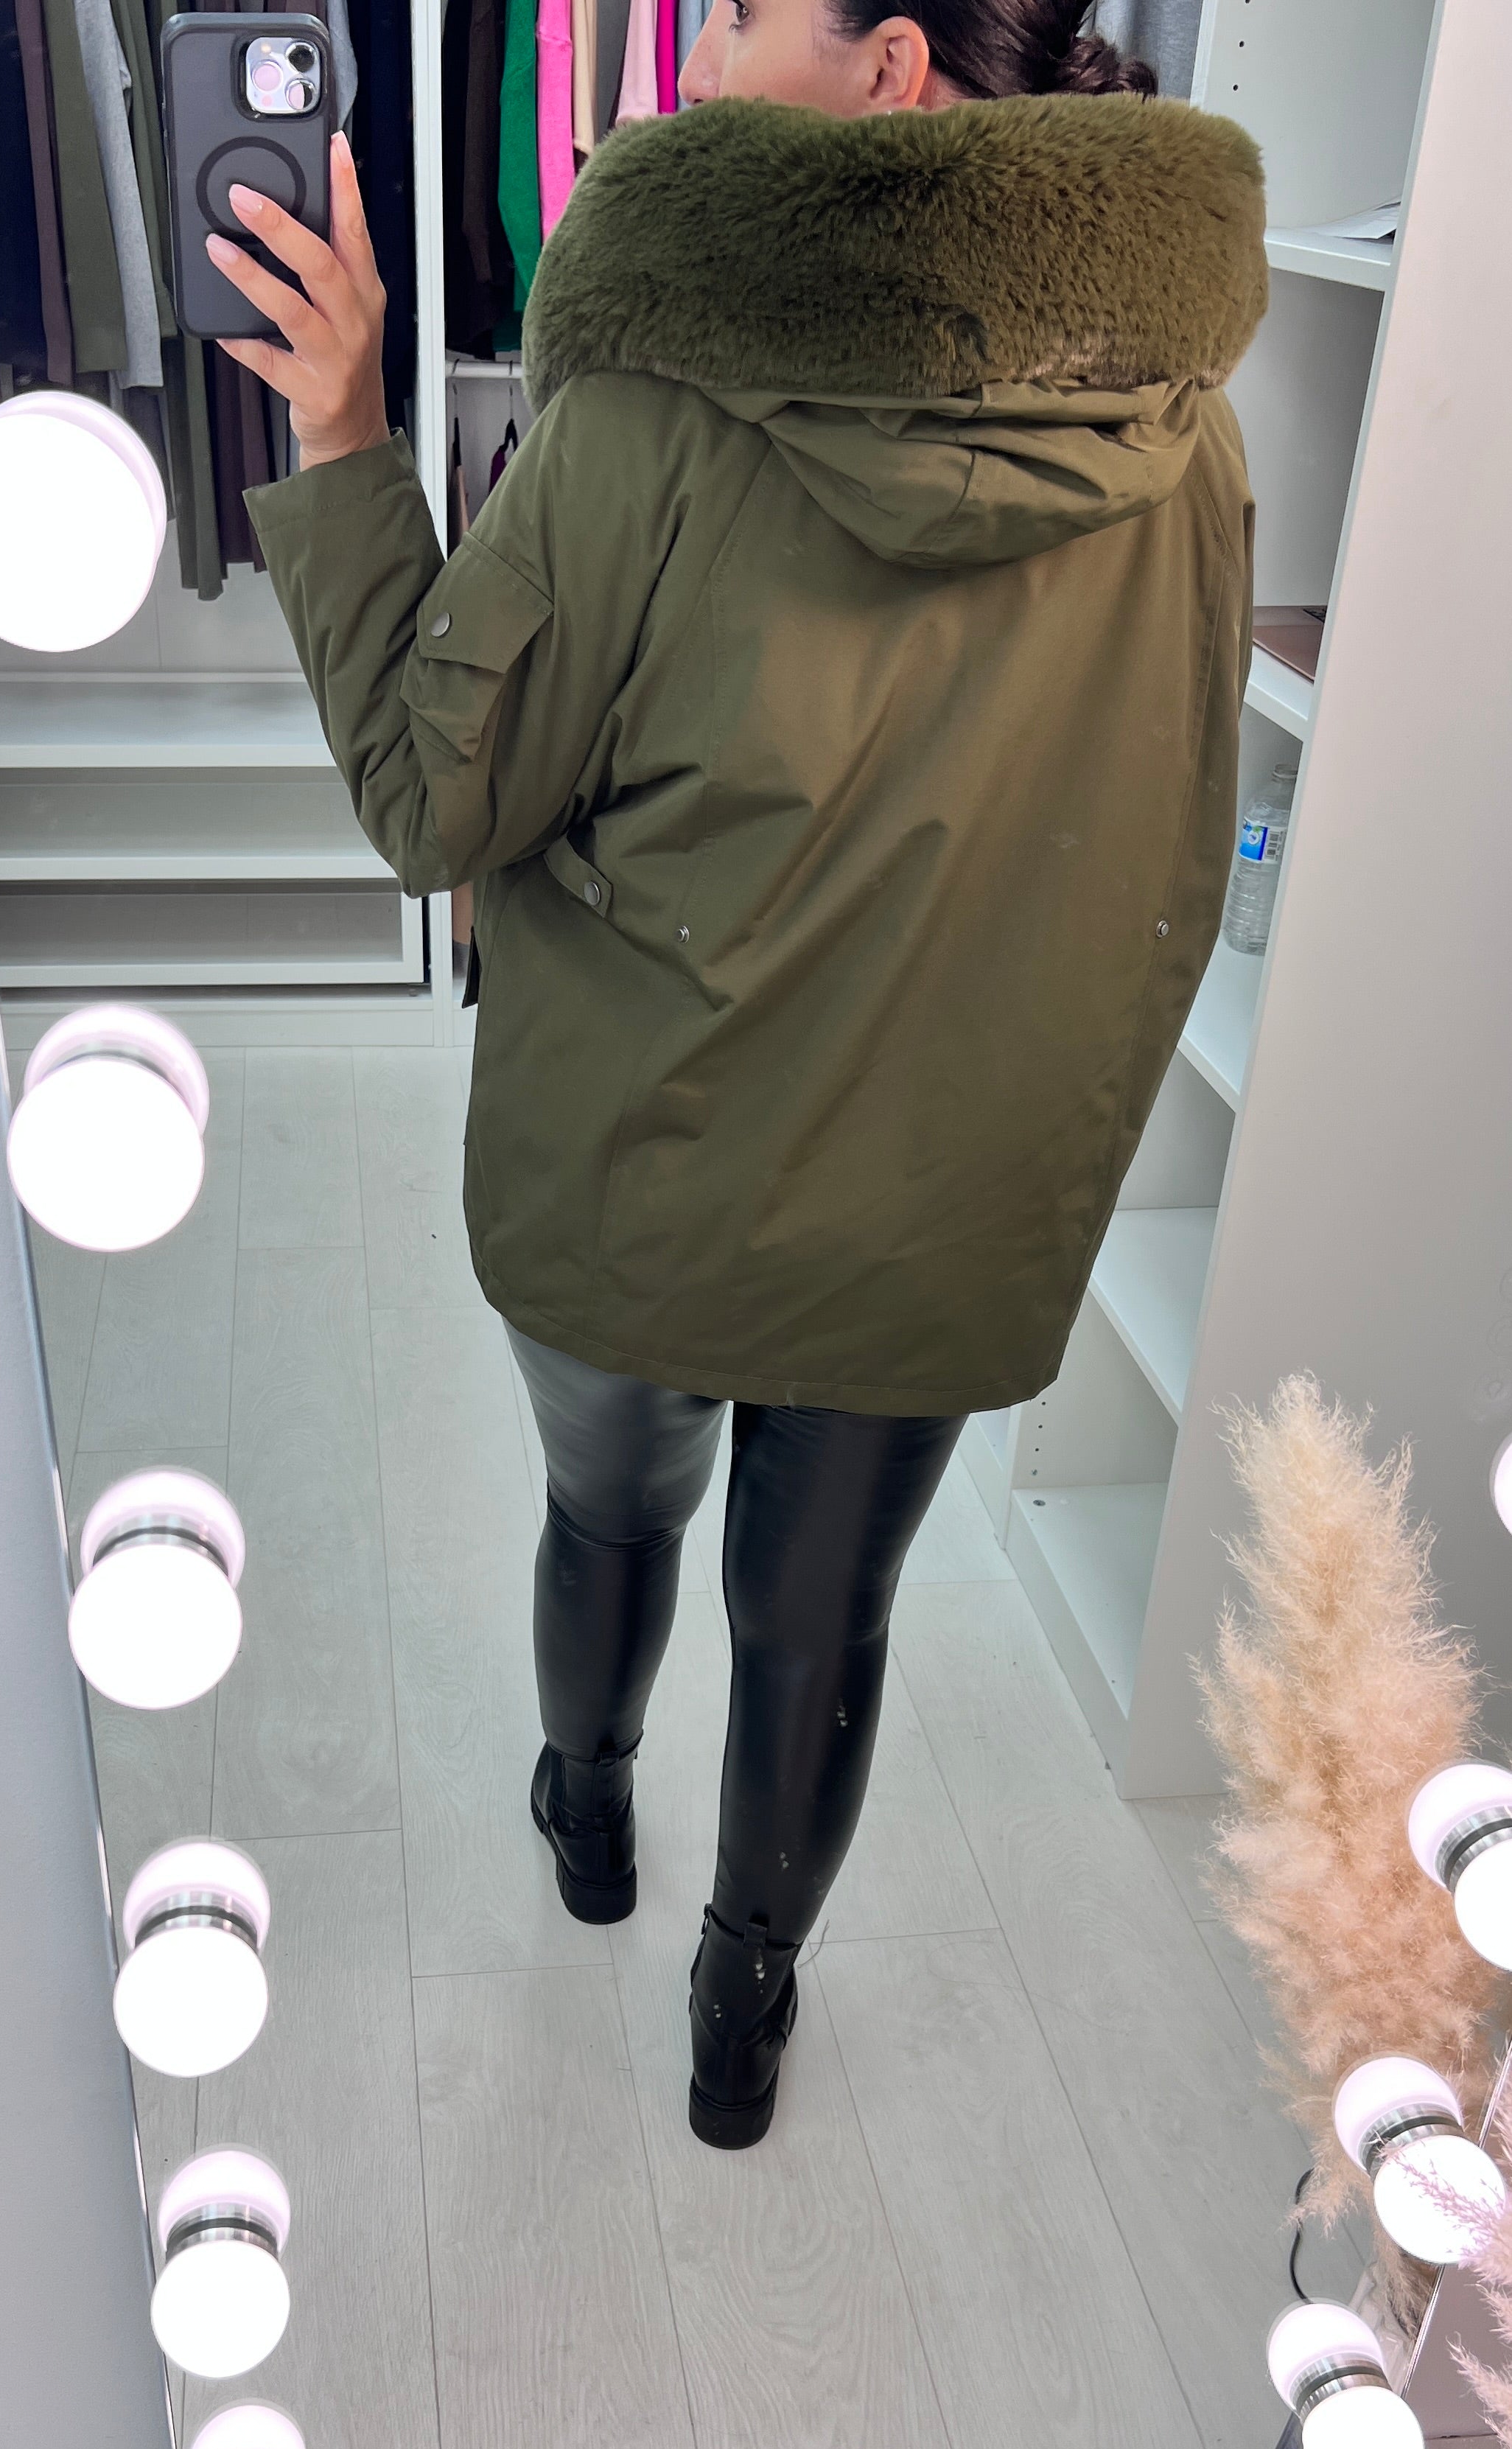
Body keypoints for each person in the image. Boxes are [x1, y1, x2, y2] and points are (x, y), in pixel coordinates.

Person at [214, 0, 1266, 2148]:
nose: (683, 60)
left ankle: (587, 1810)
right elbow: (1168, 841)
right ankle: (741, 2002)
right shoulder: (1189, 438)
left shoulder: (642, 413)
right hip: (946, 1195)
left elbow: (437, 803)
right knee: (821, 1613)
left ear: (887, 68)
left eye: (740, 16)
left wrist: (345, 433)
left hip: (644, 1162)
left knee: (610, 1513)